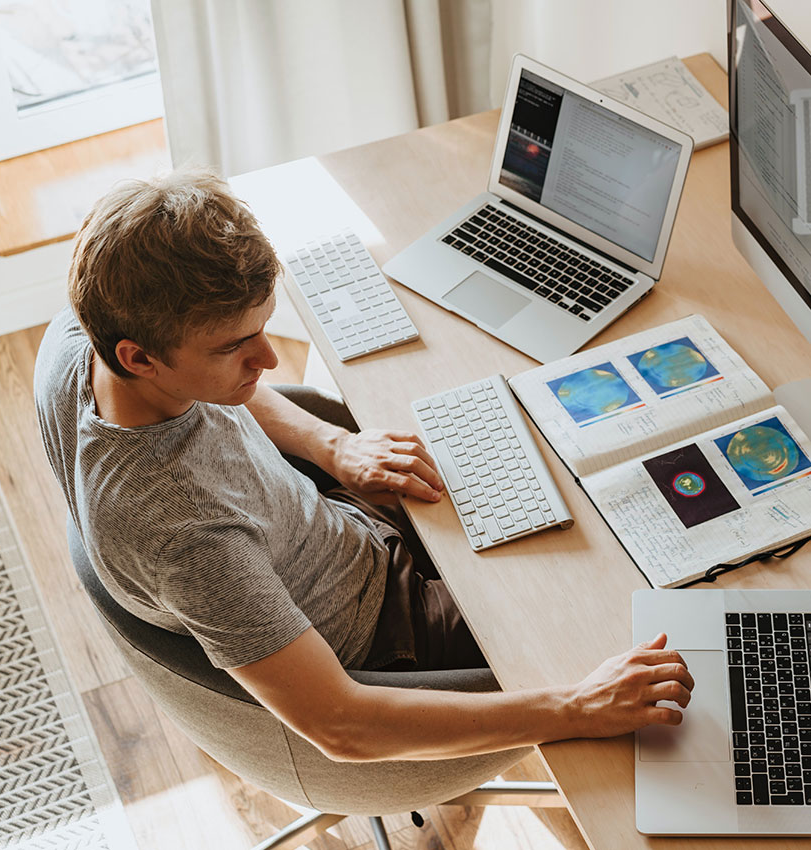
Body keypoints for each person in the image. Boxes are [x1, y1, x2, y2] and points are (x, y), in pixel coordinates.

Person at [35, 168, 693, 763]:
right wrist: (574, 709)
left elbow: (231, 389)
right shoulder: (182, 534)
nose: (267, 361)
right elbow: (342, 725)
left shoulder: (85, 337)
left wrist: (332, 447)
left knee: (564, 467)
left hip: (341, 529)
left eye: (264, 328)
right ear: (139, 357)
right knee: (640, 609)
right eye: (236, 347)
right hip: (392, 637)